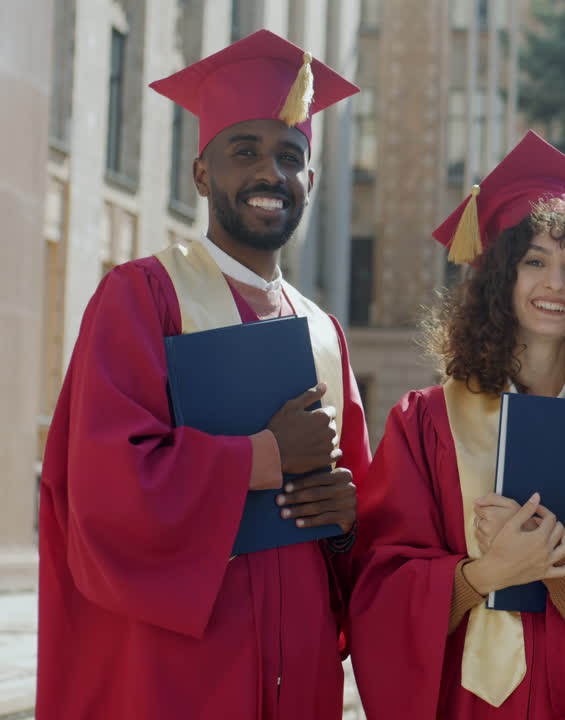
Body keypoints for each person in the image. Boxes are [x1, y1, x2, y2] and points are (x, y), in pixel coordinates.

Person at [36, 30, 370, 720]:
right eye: (243, 151)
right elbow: (101, 486)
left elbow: (363, 511)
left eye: (289, 156)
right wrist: (265, 457)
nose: (269, 174)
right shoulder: (144, 297)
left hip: (299, 668)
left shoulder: (324, 334)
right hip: (179, 668)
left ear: (308, 180)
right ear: (201, 174)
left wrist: (345, 524)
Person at [348, 131, 565, 719]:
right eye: (534, 261)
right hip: (464, 704)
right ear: (500, 276)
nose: (555, 284)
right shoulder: (427, 423)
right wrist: (486, 574)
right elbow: (380, 591)